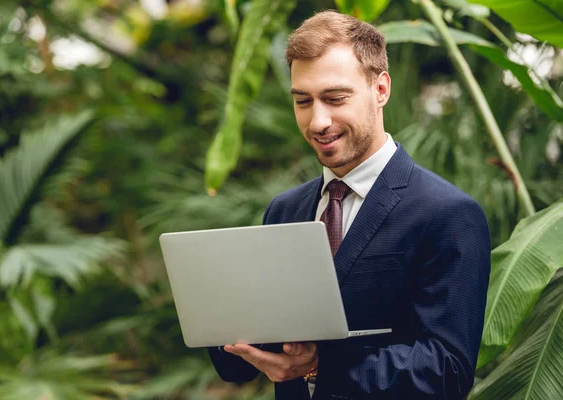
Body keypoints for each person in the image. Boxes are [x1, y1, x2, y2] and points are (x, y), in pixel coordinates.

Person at [208, 10, 491, 400]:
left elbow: (447, 371)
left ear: (381, 89)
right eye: (303, 101)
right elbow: (246, 359)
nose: (318, 121)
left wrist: (319, 365)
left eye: (335, 98)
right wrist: (223, 323)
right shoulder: (284, 210)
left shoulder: (448, 214)